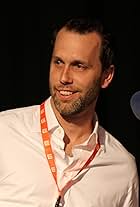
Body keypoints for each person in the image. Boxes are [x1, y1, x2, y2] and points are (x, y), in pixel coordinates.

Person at [0, 17, 139, 207]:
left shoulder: (123, 169)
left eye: (78, 66)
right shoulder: (4, 131)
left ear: (106, 76)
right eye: (58, 62)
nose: (64, 77)